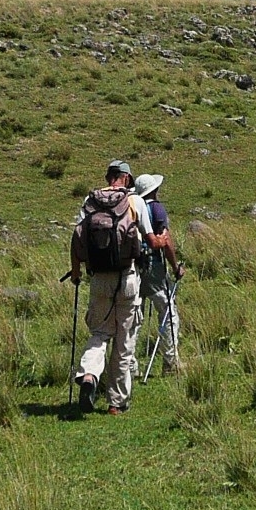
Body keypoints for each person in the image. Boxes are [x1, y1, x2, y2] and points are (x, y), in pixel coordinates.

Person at [67, 161, 165, 414]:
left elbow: (76, 239)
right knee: (124, 342)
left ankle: (88, 375)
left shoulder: (91, 202)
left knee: (99, 333)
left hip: (99, 278)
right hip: (128, 278)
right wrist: (162, 240)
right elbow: (151, 240)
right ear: (125, 178)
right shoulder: (135, 202)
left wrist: (76, 273)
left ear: (109, 178)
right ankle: (116, 403)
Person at [135, 173, 182, 374]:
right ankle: (170, 363)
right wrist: (175, 266)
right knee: (168, 313)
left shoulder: (130, 207)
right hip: (153, 267)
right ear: (154, 190)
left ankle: (128, 366)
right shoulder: (156, 208)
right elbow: (166, 242)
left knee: (133, 317)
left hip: (133, 268)